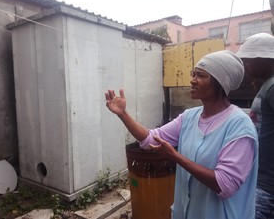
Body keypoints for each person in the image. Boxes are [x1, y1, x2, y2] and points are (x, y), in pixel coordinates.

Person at [105, 50, 259, 219]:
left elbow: (225, 184)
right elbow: (150, 139)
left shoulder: (239, 126)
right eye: (194, 74)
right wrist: (123, 114)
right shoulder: (189, 117)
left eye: (201, 75)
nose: (192, 80)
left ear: (220, 82)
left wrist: (175, 156)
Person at [237, 33, 274, 219]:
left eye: (248, 60)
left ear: (263, 58)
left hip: (268, 187)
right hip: (260, 179)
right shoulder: (266, 85)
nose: (245, 65)